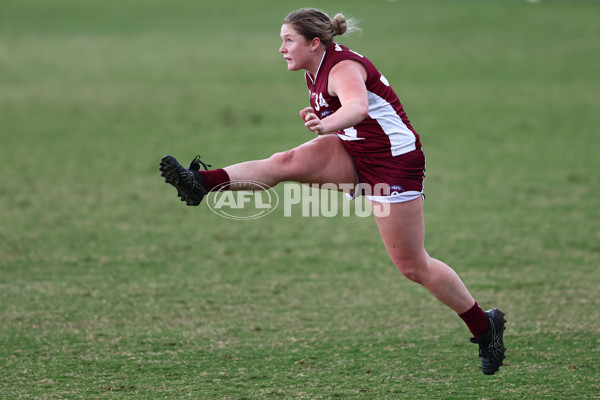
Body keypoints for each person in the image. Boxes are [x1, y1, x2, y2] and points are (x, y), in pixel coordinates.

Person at [159, 8, 506, 375]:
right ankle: (201, 183)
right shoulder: (314, 68)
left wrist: (325, 124)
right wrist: (328, 127)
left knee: (412, 265)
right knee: (285, 162)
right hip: (355, 151)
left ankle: (486, 328)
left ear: (314, 42)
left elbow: (356, 108)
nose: (281, 48)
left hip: (394, 164)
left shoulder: (342, 68)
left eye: (288, 40)